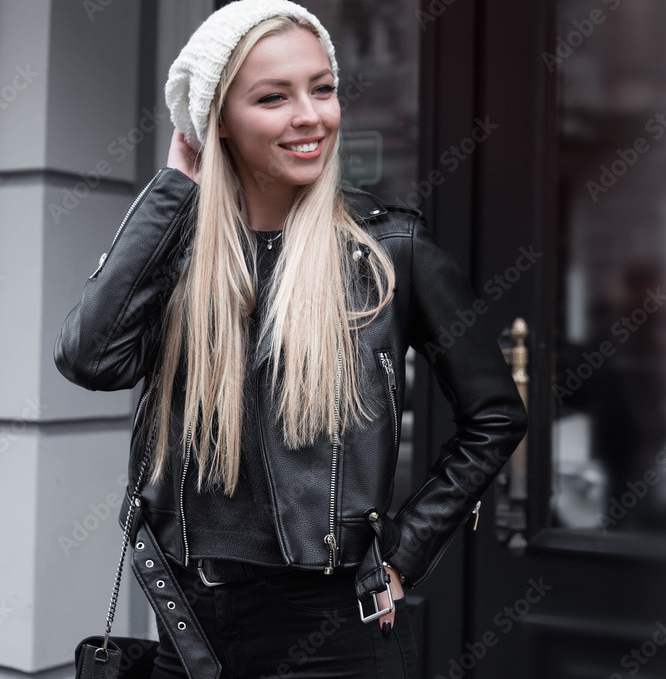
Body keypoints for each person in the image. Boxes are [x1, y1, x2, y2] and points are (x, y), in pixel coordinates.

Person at [54, 1, 527, 677]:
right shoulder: (177, 251)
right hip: (186, 625)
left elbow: (495, 415)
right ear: (217, 118)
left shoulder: (390, 249)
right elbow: (88, 357)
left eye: (323, 88)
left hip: (329, 635)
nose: (310, 115)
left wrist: (403, 555)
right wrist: (171, 193)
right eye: (274, 97)